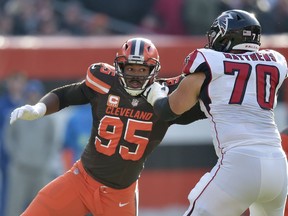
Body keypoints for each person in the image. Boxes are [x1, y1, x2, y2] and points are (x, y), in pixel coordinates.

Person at [9, 37, 206, 216]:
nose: (136, 75)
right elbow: (66, 95)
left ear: (152, 70)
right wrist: (39, 108)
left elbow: (207, 107)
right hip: (80, 180)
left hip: (120, 194)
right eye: (130, 68)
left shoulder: (165, 100)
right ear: (120, 67)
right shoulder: (104, 84)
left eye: (142, 69)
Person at [143, 10, 288, 215]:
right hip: (278, 166)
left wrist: (155, 94)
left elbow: (169, 110)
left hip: (240, 162)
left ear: (227, 36)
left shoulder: (209, 63)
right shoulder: (274, 62)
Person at [4, 79, 62, 216]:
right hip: (20, 169)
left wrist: (45, 159)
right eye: (30, 93)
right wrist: (17, 156)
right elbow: (7, 139)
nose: (32, 96)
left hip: (40, 169)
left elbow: (53, 141)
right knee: (14, 206)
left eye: (35, 93)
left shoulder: (48, 118)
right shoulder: (17, 113)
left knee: (42, 206)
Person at [0, 72, 27, 216]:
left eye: (19, 81)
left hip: (23, 157)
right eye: (13, 80)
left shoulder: (26, 105)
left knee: (21, 192)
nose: (16, 85)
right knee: (6, 190)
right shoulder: (2, 104)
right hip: (4, 156)